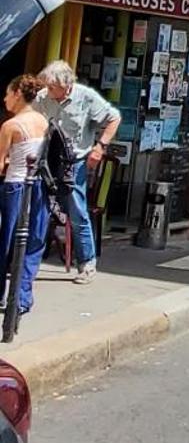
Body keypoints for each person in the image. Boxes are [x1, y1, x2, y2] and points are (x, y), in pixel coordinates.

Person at [39, 60, 118, 284]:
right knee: (38, 206)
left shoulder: (86, 97)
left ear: (66, 86)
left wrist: (100, 147)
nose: (49, 92)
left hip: (74, 161)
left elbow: (114, 118)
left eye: (53, 87)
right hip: (46, 160)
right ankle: (29, 261)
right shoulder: (43, 97)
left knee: (77, 211)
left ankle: (86, 264)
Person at [0, 77, 50, 321]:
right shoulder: (43, 121)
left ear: (18, 93)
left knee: (5, 242)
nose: (4, 99)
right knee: (32, 242)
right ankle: (21, 297)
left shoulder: (11, 126)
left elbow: (0, 164)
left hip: (15, 186)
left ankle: (1, 294)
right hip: (38, 186)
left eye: (7, 94)